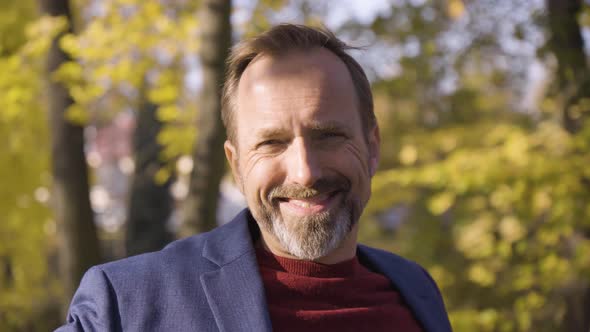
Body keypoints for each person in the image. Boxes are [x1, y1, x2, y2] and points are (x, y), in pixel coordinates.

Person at [56, 24, 452, 332]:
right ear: (237, 164)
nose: (305, 171)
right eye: (272, 143)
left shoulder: (415, 290)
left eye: (328, 135)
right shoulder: (128, 304)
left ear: (373, 146)